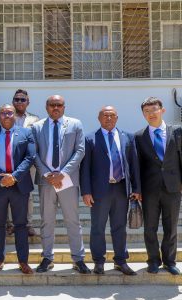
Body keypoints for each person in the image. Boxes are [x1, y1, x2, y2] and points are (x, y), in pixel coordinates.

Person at [31, 95, 90, 274]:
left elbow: (80, 150)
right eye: (52, 105)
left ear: (64, 107)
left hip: (67, 180)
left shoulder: (75, 124)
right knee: (46, 220)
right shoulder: (37, 127)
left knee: (72, 220)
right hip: (47, 180)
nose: (55, 107)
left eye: (59, 105)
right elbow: (34, 153)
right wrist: (48, 174)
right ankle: (47, 258)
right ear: (46, 107)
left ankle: (78, 259)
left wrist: (63, 174)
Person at [80, 106, 141, 275]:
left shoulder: (127, 137)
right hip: (99, 191)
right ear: (99, 118)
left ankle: (121, 261)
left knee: (119, 227)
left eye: (112, 115)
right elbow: (85, 168)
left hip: (122, 189)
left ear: (117, 118)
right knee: (98, 227)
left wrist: (136, 188)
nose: (108, 118)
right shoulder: (90, 138)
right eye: (105, 116)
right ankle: (99, 261)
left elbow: (134, 165)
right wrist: (86, 191)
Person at [0, 104, 35, 274]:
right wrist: (1, 177)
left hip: (19, 185)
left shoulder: (26, 133)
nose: (6, 115)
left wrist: (15, 176)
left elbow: (31, 156)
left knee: (21, 224)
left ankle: (23, 261)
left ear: (14, 116)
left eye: (9, 113)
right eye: (3, 113)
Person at [135, 97, 182, 275]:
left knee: (171, 227)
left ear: (162, 111)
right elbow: (137, 165)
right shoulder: (139, 136)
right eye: (147, 111)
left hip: (173, 187)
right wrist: (137, 190)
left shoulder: (177, 132)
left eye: (154, 110)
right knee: (150, 227)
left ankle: (170, 261)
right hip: (150, 190)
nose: (151, 114)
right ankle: (153, 260)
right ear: (143, 114)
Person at [7, 89, 39, 237]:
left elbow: (37, 141)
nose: (19, 102)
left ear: (28, 102)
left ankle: (29, 224)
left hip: (27, 162)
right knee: (8, 193)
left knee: (28, 194)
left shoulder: (35, 119)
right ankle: (11, 224)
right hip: (9, 161)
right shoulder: (7, 116)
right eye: (17, 99)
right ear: (13, 101)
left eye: (22, 99)